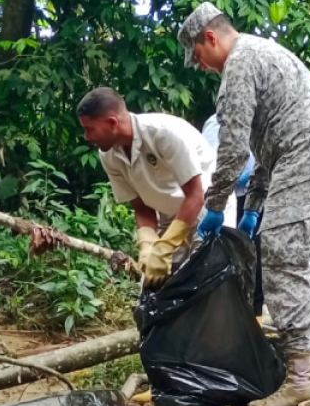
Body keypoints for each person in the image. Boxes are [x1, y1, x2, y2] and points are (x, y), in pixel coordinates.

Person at [178, 1, 310, 406]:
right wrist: (253, 203)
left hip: (304, 159)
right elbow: (266, 147)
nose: (200, 65)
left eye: (198, 56)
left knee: (282, 261)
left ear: (210, 37)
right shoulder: (266, 52)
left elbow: (234, 148)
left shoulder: (239, 63)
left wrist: (215, 203)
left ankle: (300, 379)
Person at [76, 87, 218, 284]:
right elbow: (141, 207)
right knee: (152, 283)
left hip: (207, 210)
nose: (86, 136)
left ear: (112, 122)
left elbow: (196, 195)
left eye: (90, 129)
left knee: (208, 279)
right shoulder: (108, 155)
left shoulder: (163, 134)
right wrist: (148, 242)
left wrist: (166, 246)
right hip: (170, 215)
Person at [201, 114, 265, 316]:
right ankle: (227, 316)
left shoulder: (262, 118)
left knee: (256, 259)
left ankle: (253, 319)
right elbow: (213, 165)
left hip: (255, 194)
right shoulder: (216, 123)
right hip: (225, 198)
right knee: (226, 257)